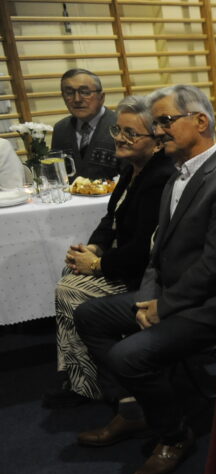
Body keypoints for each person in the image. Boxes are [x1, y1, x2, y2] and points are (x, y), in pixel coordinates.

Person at [74, 85, 216, 474]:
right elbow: (159, 253)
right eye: (155, 123)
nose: (157, 131)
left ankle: (174, 435)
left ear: (201, 122)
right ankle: (142, 409)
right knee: (88, 315)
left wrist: (163, 307)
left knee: (128, 357)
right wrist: (147, 300)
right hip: (174, 297)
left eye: (165, 121)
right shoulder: (178, 173)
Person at [44, 96, 176, 409]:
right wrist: (91, 248)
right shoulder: (133, 169)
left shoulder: (159, 178)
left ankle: (101, 385)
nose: (119, 137)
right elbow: (110, 219)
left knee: (69, 290)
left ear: (156, 144)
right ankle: (83, 378)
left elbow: (145, 251)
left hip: (145, 277)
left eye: (131, 133)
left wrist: (99, 263)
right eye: (118, 129)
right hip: (125, 263)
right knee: (69, 275)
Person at [50, 68, 119, 180]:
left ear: (101, 97)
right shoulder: (60, 129)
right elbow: (56, 175)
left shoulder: (120, 125)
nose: (77, 99)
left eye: (85, 92)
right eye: (69, 93)